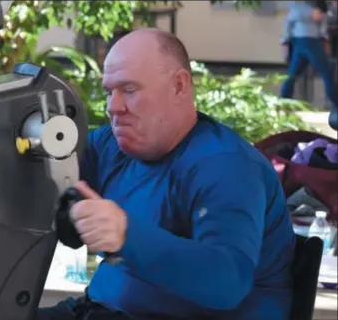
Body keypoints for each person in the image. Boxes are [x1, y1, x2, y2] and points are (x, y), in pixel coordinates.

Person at [37, 28, 296, 320]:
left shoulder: (227, 166)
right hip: (100, 309)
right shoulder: (111, 145)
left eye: (130, 90)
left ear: (179, 86)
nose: (113, 107)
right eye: (110, 92)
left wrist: (126, 235)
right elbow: (44, 181)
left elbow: (227, 280)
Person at [280, 1, 338, 121]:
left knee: (293, 74)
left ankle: (283, 102)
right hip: (310, 41)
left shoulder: (302, 6)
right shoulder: (301, 6)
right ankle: (336, 104)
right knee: (327, 73)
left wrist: (285, 39)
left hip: (301, 40)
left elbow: (290, 21)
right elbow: (314, 17)